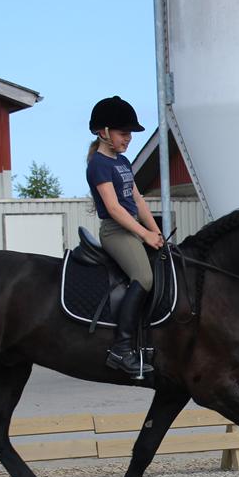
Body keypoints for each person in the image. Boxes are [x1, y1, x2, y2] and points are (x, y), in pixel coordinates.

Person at [85, 95, 165, 377]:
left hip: (133, 227)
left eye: (129, 134)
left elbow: (137, 200)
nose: (128, 138)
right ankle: (121, 349)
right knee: (143, 278)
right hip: (116, 231)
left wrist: (156, 231)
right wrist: (144, 234)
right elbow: (114, 208)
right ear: (103, 132)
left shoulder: (123, 161)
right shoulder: (98, 165)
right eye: (122, 133)